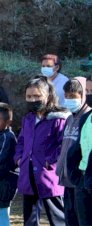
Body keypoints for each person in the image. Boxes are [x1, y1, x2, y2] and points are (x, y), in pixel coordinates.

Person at [14, 76, 69, 226]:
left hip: (49, 175)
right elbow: (22, 140)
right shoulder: (28, 118)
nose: (32, 100)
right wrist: (19, 158)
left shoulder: (58, 119)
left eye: (37, 96)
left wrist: (50, 161)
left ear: (48, 95)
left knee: (57, 217)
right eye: (29, 96)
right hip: (28, 171)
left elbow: (63, 144)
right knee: (29, 218)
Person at [56, 77, 90, 226]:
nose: (69, 100)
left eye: (73, 96)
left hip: (82, 180)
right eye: (66, 96)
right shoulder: (70, 118)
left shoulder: (87, 116)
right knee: (70, 220)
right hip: (68, 179)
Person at [67, 76, 92, 225]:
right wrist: (75, 174)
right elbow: (78, 148)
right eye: (87, 91)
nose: (89, 95)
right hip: (83, 181)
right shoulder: (86, 118)